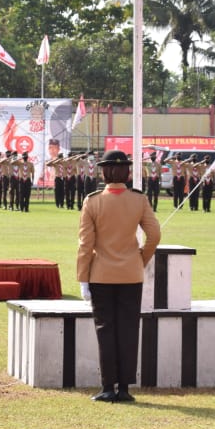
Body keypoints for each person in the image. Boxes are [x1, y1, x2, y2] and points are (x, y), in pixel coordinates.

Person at [77, 150, 162, 403]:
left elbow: (85, 244)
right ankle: (124, 388)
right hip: (130, 274)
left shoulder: (93, 201)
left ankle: (107, 386)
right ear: (127, 172)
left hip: (101, 274)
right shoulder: (138, 199)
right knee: (128, 329)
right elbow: (154, 235)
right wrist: (140, 259)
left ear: (104, 172)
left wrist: (83, 278)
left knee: (105, 330)